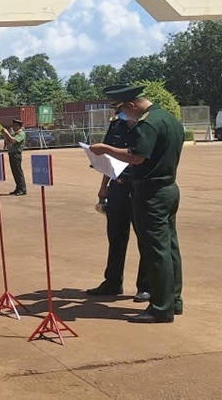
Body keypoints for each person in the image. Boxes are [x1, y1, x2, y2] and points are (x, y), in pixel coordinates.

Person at [90, 84, 184, 324]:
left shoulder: (148, 123)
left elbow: (136, 157)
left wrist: (105, 149)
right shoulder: (169, 119)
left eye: (123, 110)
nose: (123, 116)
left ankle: (160, 308)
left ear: (131, 105)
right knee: (169, 247)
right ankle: (173, 300)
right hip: (168, 188)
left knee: (156, 251)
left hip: (151, 192)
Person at [86, 109, 149, 301]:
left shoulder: (145, 128)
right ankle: (112, 282)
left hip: (140, 189)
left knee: (144, 240)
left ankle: (145, 286)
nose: (120, 112)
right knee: (115, 238)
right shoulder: (116, 126)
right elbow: (107, 159)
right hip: (118, 187)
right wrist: (103, 187)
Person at [2, 119, 27, 196]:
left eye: (16, 125)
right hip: (12, 154)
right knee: (15, 172)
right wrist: (5, 134)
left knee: (18, 172)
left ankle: (22, 189)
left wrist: (7, 133)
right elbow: (9, 141)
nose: (14, 127)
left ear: (19, 126)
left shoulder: (21, 134)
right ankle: (18, 188)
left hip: (16, 154)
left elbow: (13, 141)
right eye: (14, 125)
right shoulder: (15, 134)